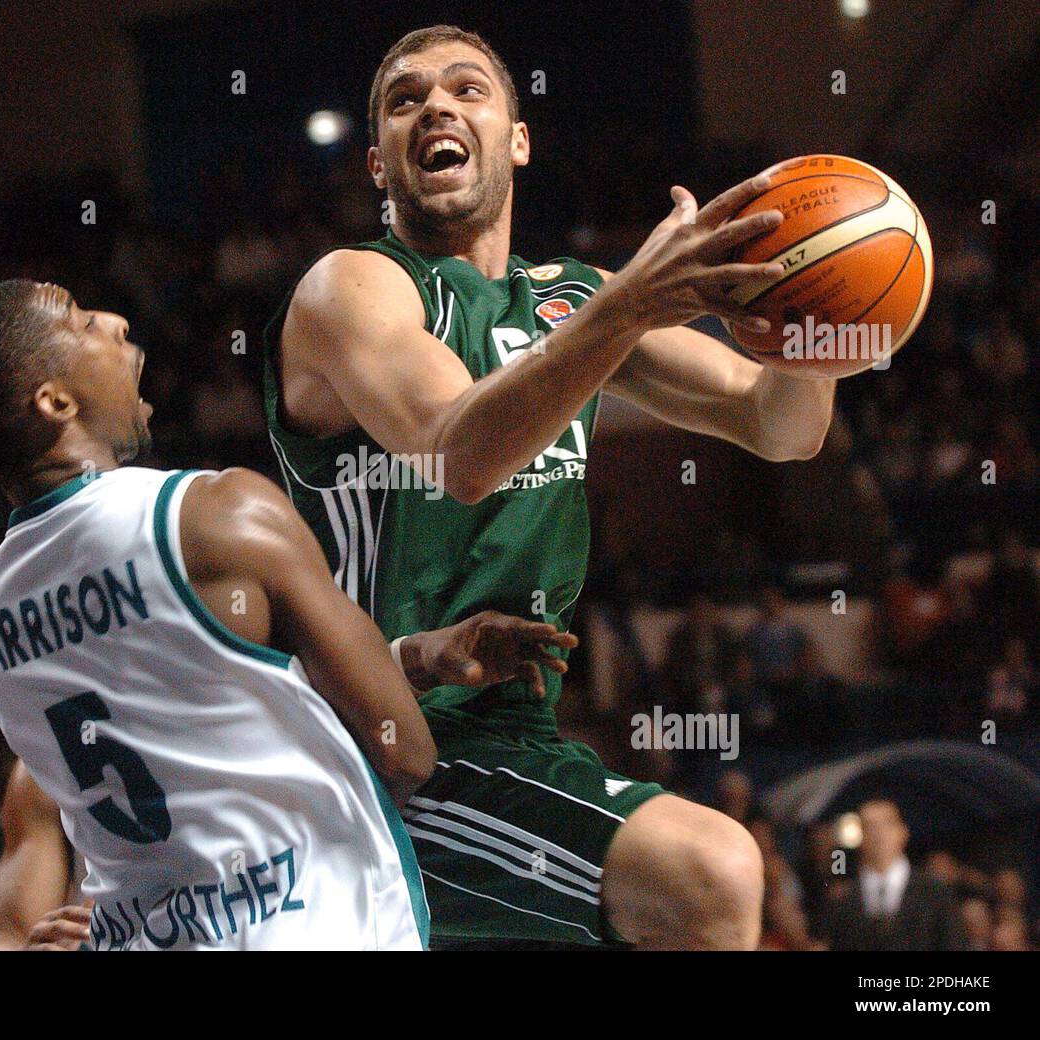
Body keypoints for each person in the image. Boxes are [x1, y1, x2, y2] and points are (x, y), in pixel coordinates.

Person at [263, 25, 835, 948]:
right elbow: (458, 453)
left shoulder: (572, 300)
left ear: (517, 140)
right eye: (406, 100)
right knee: (711, 870)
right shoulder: (351, 288)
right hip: (377, 739)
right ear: (378, 164)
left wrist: (822, 313)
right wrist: (628, 306)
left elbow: (781, 426)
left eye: (465, 90)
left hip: (512, 736)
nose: (437, 108)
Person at [0, 278, 572, 950]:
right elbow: (402, 752)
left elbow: (195, 717)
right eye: (80, 321)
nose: (115, 322)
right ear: (56, 402)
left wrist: (408, 657)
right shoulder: (218, 514)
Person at [823, 799, 967, 951]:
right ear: (860, 837)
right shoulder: (843, 901)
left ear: (903, 832)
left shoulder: (936, 893)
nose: (879, 835)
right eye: (869, 827)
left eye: (887, 824)